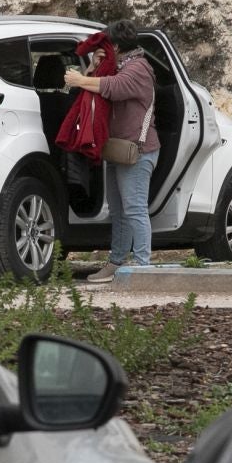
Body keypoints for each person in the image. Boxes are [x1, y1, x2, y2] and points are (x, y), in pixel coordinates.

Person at [64, 21, 160, 282]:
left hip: (137, 152)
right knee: (119, 211)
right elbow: (101, 86)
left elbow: (113, 88)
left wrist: (80, 79)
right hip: (117, 149)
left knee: (135, 209)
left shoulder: (138, 69)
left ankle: (142, 267)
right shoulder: (121, 65)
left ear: (116, 46)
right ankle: (116, 263)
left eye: (107, 43)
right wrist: (93, 67)